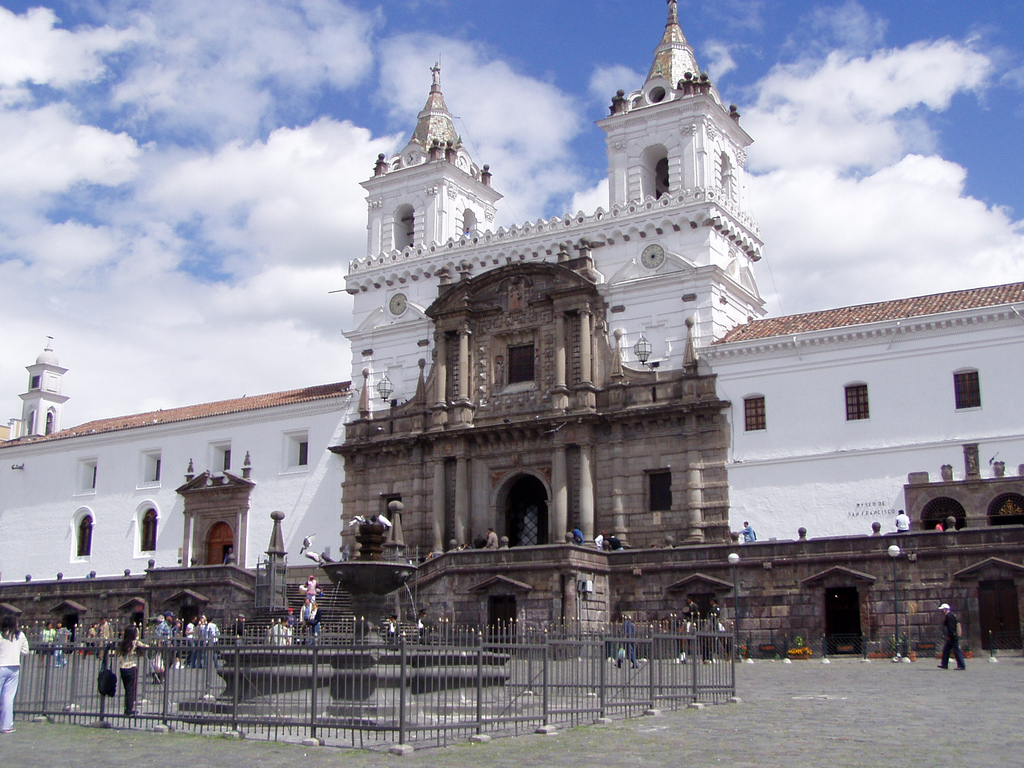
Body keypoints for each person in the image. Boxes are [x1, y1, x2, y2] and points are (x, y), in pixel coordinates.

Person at [0, 615, 30, 734]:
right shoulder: (20, 635)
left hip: (1, 665)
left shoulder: (1, 635)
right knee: (8, 697)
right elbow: (26, 651)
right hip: (14, 666)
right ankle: (7, 726)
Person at [116, 625, 148, 717]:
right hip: (131, 667)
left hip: (122, 667)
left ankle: (127, 708)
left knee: (127, 689)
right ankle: (130, 709)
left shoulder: (123, 643)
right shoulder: (135, 642)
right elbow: (146, 646)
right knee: (131, 689)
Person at [938, 603, 966, 670]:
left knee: (956, 650)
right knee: (946, 649)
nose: (941, 612)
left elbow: (951, 627)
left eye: (942, 610)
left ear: (945, 610)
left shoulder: (949, 616)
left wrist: (950, 635)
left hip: (953, 637)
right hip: (953, 636)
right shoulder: (951, 615)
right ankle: (944, 664)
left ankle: (961, 665)